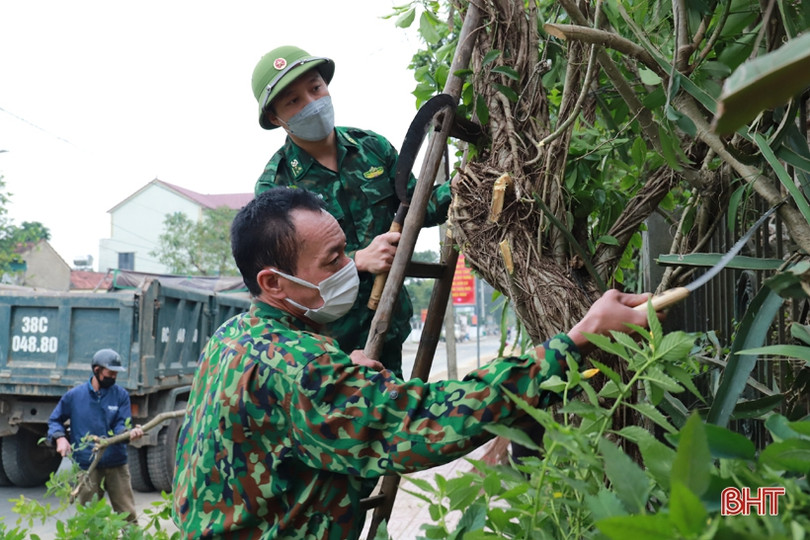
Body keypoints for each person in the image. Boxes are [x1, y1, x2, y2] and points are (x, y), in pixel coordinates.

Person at [172, 187, 652, 539]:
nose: (349, 266)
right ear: (273, 283)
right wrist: (576, 339)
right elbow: (426, 422)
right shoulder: (301, 368)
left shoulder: (234, 338)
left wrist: (342, 375)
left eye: (346, 250)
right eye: (332, 259)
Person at [250, 45, 452, 377]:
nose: (312, 104)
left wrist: (462, 188)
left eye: (315, 88)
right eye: (293, 101)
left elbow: (419, 206)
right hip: (324, 346)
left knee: (393, 418)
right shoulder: (276, 188)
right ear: (275, 117)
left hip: (387, 319)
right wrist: (357, 261)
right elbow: (287, 277)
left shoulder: (373, 149)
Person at [47, 348, 144, 523]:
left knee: (128, 516)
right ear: (97, 370)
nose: (113, 377)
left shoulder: (121, 395)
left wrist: (129, 434)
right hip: (87, 465)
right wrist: (60, 438)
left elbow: (122, 424)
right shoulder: (75, 396)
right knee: (88, 519)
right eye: (110, 373)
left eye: (116, 374)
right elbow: (55, 420)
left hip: (116, 464)